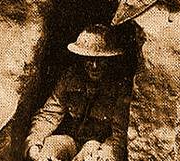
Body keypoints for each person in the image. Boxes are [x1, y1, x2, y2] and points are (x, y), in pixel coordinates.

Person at [25, 24, 130, 161]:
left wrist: (104, 155)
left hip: (96, 150)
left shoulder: (120, 87)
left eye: (100, 60)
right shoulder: (69, 78)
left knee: (90, 147)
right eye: (89, 59)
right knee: (53, 144)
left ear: (110, 60)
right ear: (81, 58)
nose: (94, 66)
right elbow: (48, 115)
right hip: (71, 143)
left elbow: (119, 137)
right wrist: (34, 144)